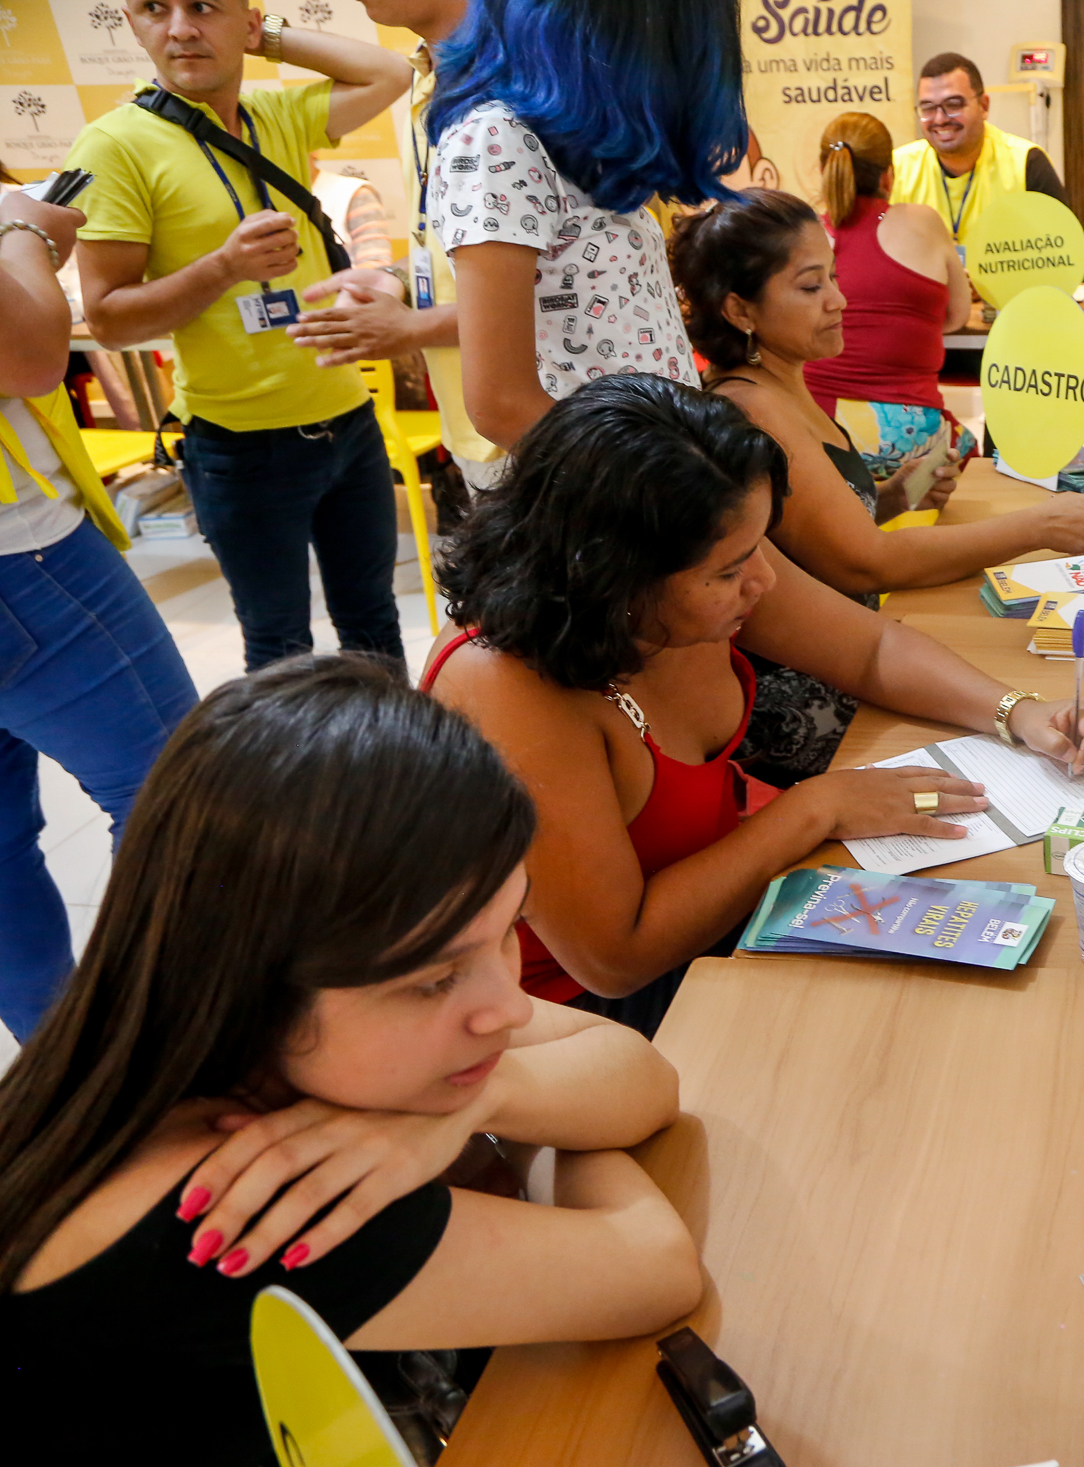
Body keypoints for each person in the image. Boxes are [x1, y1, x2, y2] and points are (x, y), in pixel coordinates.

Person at [0, 656, 702, 1459]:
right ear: (250, 990)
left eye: (510, 926)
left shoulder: (160, 1041)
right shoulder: (252, 1204)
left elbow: (640, 1071)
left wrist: (470, 1105)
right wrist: (530, 1110)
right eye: (436, 978)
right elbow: (654, 1267)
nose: (504, 1005)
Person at [423, 375, 1084, 1033]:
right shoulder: (503, 686)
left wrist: (1019, 712)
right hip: (577, 1015)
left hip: (725, 894)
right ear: (616, 577)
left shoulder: (698, 569)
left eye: (759, 547)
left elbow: (870, 651)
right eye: (730, 569)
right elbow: (614, 958)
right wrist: (815, 807)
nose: (762, 580)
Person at [672, 192, 1084, 783]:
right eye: (810, 287)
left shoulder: (784, 385)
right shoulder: (751, 408)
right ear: (740, 310)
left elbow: (813, 535)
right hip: (825, 698)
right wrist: (1036, 527)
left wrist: (891, 498)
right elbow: (866, 564)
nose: (839, 300)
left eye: (833, 276)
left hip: (864, 656)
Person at [67, 1, 413, 672]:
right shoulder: (113, 145)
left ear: (247, 24)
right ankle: (298, 781)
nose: (179, 29)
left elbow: (389, 72)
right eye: (153, 9)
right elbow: (108, 318)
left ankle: (396, 775)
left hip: (349, 424)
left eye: (203, 7)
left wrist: (270, 38)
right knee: (279, 647)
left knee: (373, 621)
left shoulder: (272, 117)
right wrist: (224, 267)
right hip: (240, 448)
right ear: (132, 25)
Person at [0, 180, 196, 1042]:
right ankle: (154, 1061)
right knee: (178, 796)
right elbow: (28, 355)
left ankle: (61, 1063)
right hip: (22, 558)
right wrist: (23, 235)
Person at [423, 0, 751, 449]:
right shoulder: (499, 138)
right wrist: (659, 489)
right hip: (609, 490)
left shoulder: (576, 146)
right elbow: (501, 404)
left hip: (652, 467)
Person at [286, 0, 503, 496]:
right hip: (479, 427)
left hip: (551, 423)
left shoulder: (517, 89)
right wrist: (396, 279)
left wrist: (409, 328)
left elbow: (561, 287)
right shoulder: (427, 79)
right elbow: (474, 254)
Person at [803, 112, 978, 487]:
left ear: (824, 168)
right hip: (908, 440)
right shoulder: (923, 221)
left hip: (817, 434)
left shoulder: (803, 235)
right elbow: (957, 316)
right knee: (968, 447)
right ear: (888, 174)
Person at [889, 52, 1068, 254]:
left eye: (953, 105)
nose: (939, 119)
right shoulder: (896, 169)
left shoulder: (1026, 163)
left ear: (984, 106)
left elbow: (1063, 255)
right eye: (928, 108)